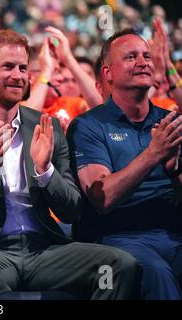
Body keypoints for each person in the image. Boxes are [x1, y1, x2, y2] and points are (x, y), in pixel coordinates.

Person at [0, 29, 139, 300]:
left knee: (117, 266)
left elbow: (72, 210)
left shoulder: (46, 126)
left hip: (44, 253)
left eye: (23, 68)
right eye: (8, 67)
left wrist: (45, 173)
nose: (18, 76)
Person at [67, 29, 182, 299]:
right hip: (117, 237)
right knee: (156, 273)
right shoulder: (88, 126)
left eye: (146, 56)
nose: (143, 62)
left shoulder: (172, 122)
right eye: (131, 57)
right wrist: (153, 154)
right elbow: (102, 198)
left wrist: (174, 172)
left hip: (172, 231)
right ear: (108, 73)